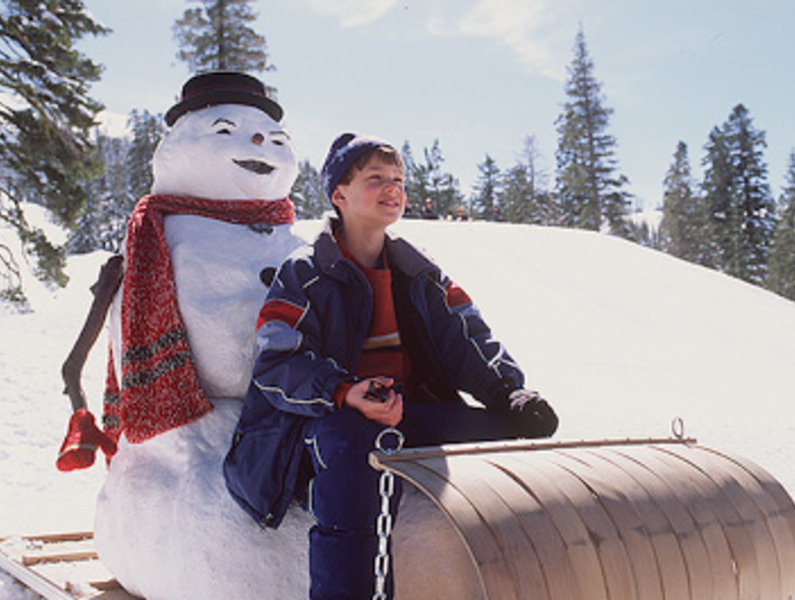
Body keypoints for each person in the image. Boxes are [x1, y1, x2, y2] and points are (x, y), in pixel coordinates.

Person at [223, 133, 558, 600]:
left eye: (398, 179)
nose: (392, 188)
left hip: (406, 414)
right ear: (339, 194)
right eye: (376, 177)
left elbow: (467, 340)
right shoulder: (305, 271)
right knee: (357, 444)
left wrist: (509, 393)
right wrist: (344, 392)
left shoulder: (419, 273)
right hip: (319, 424)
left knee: (515, 434)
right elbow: (279, 361)